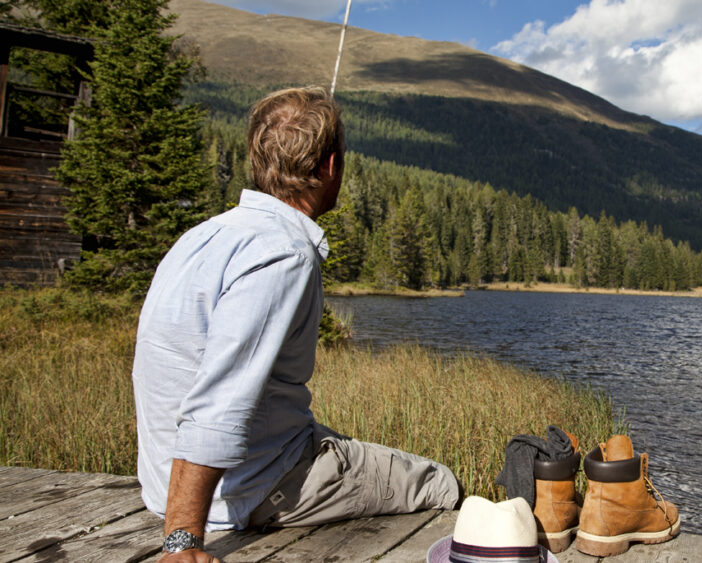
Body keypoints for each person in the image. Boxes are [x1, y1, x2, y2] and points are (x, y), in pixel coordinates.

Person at [132, 87, 460, 563]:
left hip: (167, 483)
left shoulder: (202, 236)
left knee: (337, 442)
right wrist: (182, 540)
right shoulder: (283, 254)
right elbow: (217, 407)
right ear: (330, 168)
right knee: (438, 481)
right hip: (246, 493)